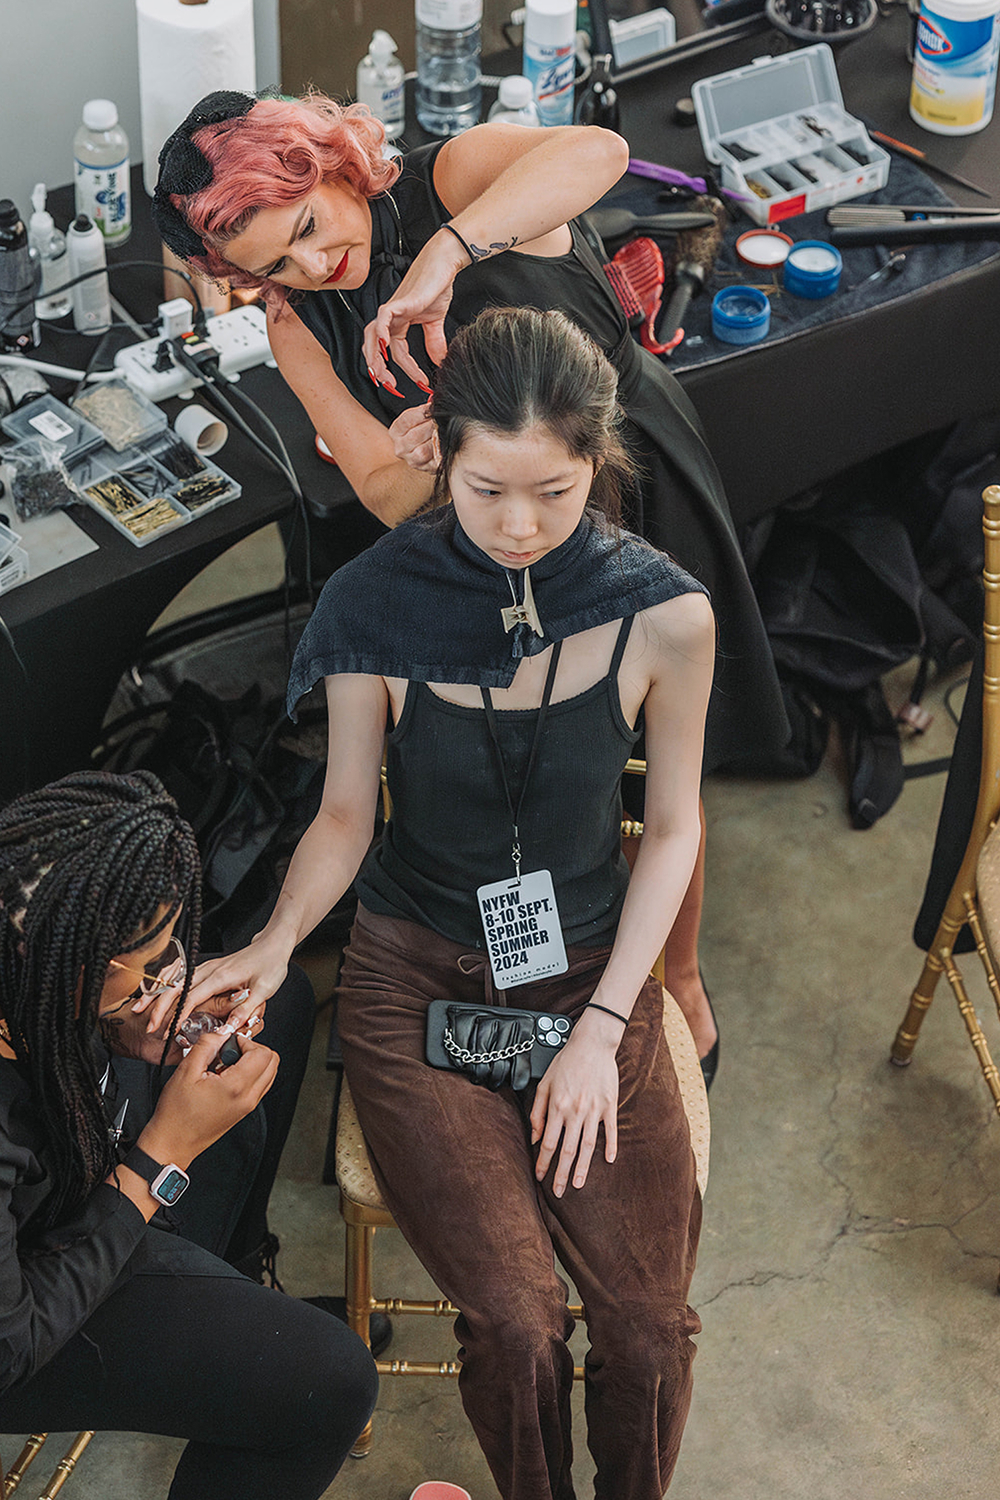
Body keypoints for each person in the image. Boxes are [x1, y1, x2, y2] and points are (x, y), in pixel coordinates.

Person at [152, 90, 790, 1079]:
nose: (314, 267)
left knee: (663, 770)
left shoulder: (452, 177)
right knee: (567, 774)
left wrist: (446, 255)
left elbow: (602, 149)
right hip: (495, 537)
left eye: (312, 227)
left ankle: (681, 978)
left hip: (625, 486)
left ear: (332, 164)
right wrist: (434, 457)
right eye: (274, 262)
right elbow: (385, 492)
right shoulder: (296, 324)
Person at [184, 307, 713, 1500]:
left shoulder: (664, 613)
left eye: (555, 493)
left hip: (586, 972)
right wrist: (273, 947)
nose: (519, 527)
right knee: (520, 1323)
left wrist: (610, 1024)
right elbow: (343, 817)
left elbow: (673, 830)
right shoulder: (380, 604)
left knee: (645, 1331)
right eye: (485, 491)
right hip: (414, 973)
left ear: (598, 465)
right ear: (435, 448)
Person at [0, 770, 377, 1500]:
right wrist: (161, 1157)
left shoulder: (31, 976)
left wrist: (129, 1034)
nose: (166, 981)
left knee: (287, 1002)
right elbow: (8, 1347)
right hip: (31, 1306)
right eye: (145, 973)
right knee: (326, 1383)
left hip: (73, 1190)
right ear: (74, 973)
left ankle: (230, 1287)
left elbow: (68, 1048)